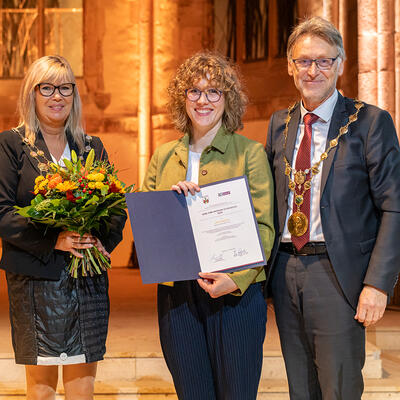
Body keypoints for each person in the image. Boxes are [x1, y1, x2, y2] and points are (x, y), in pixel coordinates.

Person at [265, 16, 400, 399]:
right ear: (291, 67)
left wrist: (377, 284)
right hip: (286, 270)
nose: (314, 70)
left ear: (340, 64)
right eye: (304, 61)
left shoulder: (370, 123)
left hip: (338, 274)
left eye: (324, 61)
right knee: (300, 388)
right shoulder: (279, 124)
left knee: (338, 387)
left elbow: (395, 207)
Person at [142, 52, 275, 400]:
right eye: (194, 91)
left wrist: (237, 279)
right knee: (192, 393)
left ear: (227, 98)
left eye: (214, 91)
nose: (203, 100)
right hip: (177, 294)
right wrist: (167, 206)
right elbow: (148, 230)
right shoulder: (163, 157)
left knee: (236, 393)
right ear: (181, 98)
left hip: (235, 293)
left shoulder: (250, 153)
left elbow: (264, 227)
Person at [0, 55, 126, 400]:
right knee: (41, 390)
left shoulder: (91, 146)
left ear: (74, 95)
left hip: (87, 282)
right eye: (48, 88)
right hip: (35, 280)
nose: (57, 96)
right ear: (32, 94)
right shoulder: (10, 145)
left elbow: (115, 207)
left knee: (83, 387)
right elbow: (2, 213)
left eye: (65, 88)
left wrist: (100, 241)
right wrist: (54, 239)